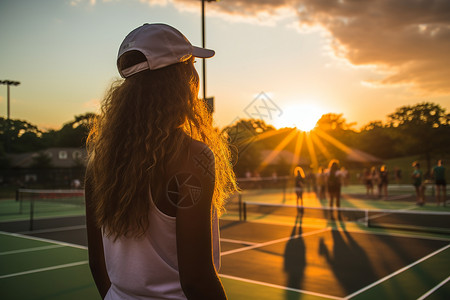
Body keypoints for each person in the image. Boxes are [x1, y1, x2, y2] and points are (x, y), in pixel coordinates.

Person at [85, 23, 237, 300]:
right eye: (192, 64)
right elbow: (197, 280)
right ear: (184, 77)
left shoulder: (99, 160)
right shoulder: (192, 156)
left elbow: (97, 264)